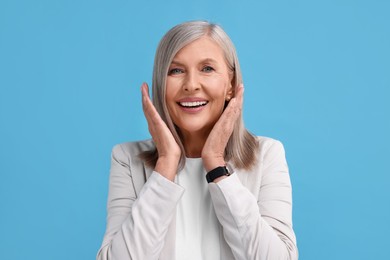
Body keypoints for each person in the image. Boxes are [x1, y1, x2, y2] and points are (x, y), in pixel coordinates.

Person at [97, 20, 298, 260]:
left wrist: (216, 164)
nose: (191, 85)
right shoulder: (126, 158)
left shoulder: (268, 154)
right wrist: (165, 164)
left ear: (231, 86)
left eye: (207, 69)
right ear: (161, 84)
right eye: (176, 71)